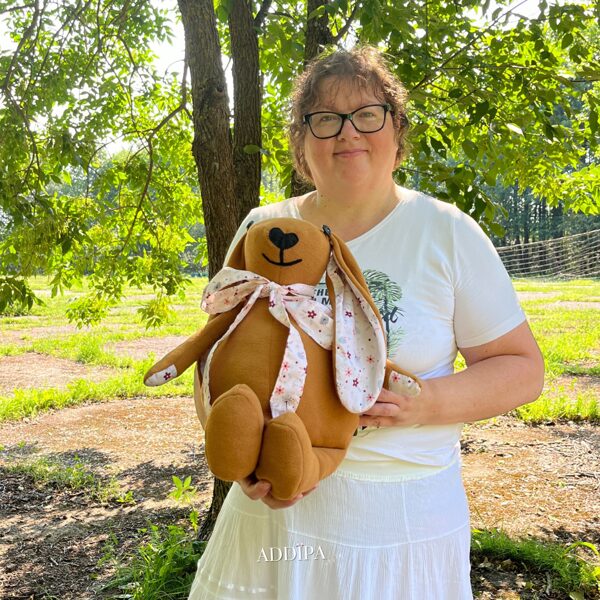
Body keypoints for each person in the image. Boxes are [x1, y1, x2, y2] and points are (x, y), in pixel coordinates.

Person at [187, 46, 544, 600]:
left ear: (396, 132)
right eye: (324, 118)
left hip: (403, 519)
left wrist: (425, 403)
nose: (346, 133)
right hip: (275, 519)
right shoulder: (263, 227)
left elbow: (523, 370)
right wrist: (243, 463)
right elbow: (217, 358)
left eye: (367, 114)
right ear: (302, 145)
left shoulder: (447, 232)